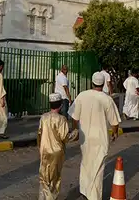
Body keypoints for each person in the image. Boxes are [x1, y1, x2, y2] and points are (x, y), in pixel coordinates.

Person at [69, 72, 121, 200]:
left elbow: (74, 117)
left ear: (92, 82)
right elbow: (114, 122)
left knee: (86, 163)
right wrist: (115, 133)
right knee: (98, 168)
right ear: (103, 84)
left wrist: (75, 130)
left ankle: (85, 190)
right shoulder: (106, 99)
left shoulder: (82, 95)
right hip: (100, 138)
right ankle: (94, 196)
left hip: (84, 137)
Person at [37, 93, 75, 200]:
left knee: (43, 177)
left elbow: (39, 134)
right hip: (57, 152)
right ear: (61, 105)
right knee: (55, 178)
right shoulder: (61, 119)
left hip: (44, 150)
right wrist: (75, 133)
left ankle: (42, 197)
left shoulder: (43, 117)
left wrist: (40, 148)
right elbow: (65, 137)